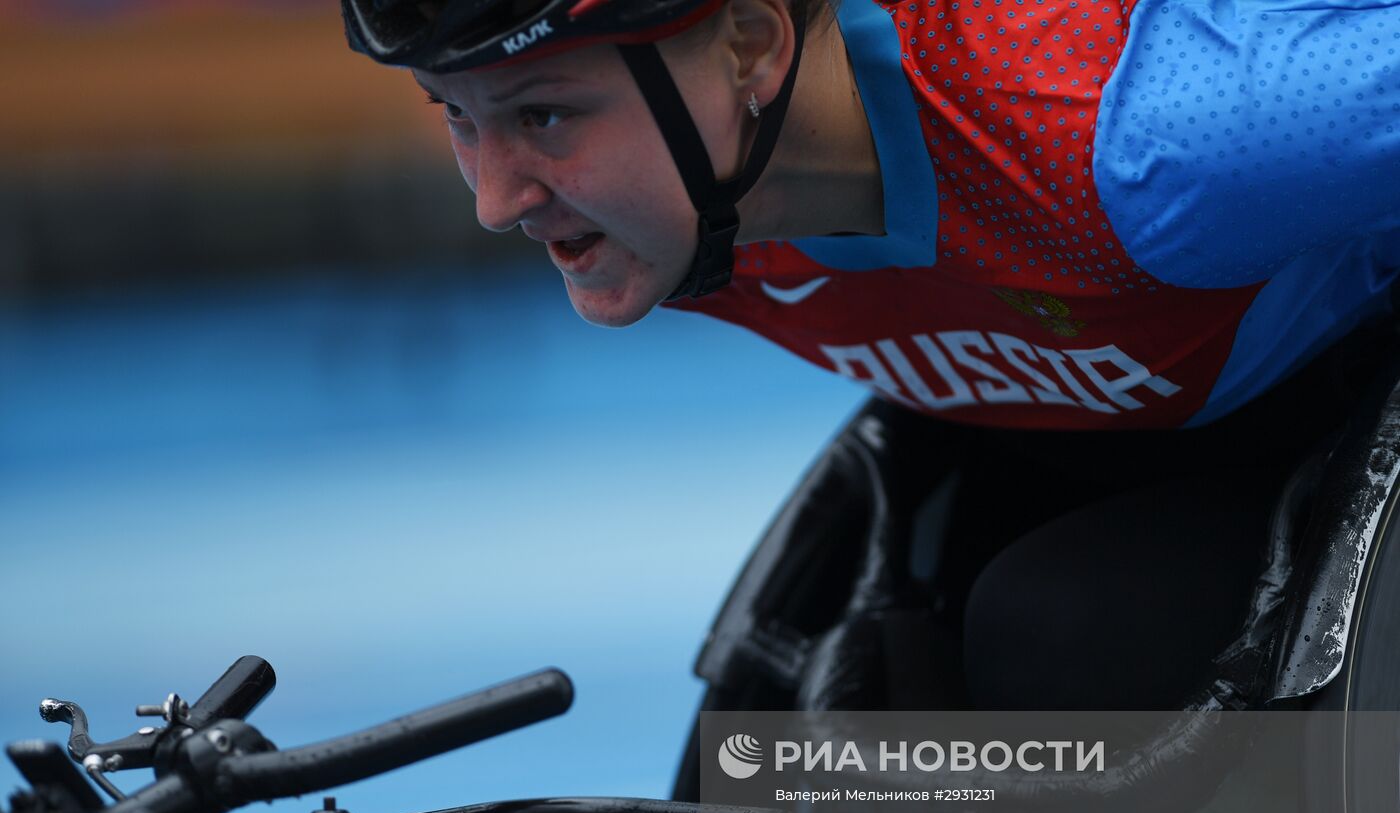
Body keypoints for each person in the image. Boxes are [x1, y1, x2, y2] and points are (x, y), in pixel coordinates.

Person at [341, 0, 1400, 712]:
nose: (494, 201)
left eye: (543, 114)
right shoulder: (658, 212)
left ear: (751, 50)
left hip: (1336, 390)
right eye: (458, 119)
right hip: (1088, 447)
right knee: (772, 772)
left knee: (1066, 646)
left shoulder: (1158, 143)